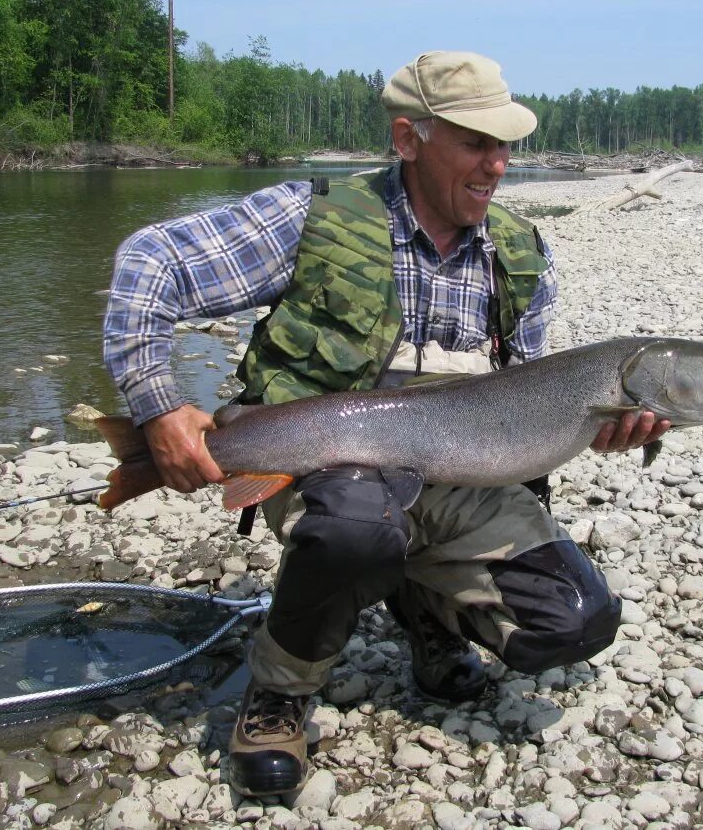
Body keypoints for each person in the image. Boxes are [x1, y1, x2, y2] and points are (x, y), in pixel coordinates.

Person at [104, 50, 669, 798]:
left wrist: (600, 428)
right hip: (322, 465)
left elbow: (528, 401)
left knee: (573, 623)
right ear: (409, 140)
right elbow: (151, 263)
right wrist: (160, 408)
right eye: (475, 142)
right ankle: (279, 691)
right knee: (355, 528)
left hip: (453, 473)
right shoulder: (311, 217)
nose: (497, 165)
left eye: (505, 145)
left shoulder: (522, 255)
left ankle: (427, 608)